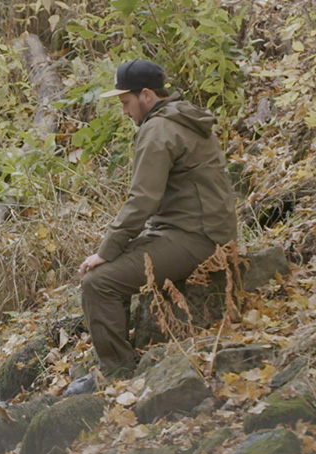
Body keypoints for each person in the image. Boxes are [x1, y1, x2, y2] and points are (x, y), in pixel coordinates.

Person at [78, 59, 237, 377]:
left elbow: (142, 201)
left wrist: (106, 251)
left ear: (146, 95)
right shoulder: (184, 116)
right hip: (206, 231)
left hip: (195, 238)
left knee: (98, 282)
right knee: (114, 269)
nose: (125, 111)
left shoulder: (158, 130)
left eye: (126, 102)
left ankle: (118, 374)